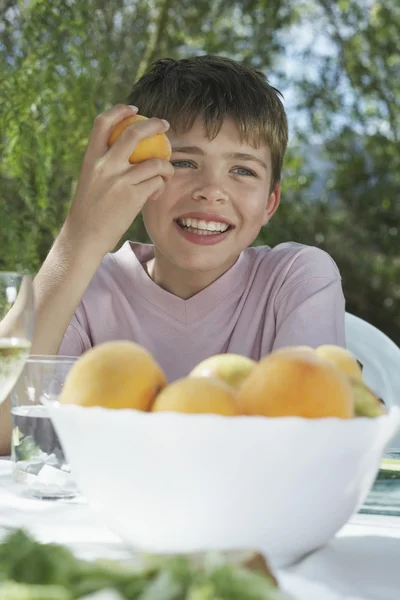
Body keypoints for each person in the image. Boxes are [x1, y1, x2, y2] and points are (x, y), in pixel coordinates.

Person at [0, 55, 345, 453]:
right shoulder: (84, 287)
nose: (211, 189)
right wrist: (79, 239)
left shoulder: (297, 277)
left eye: (243, 170)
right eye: (183, 162)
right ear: (138, 177)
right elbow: (7, 431)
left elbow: (311, 441)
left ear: (271, 202)